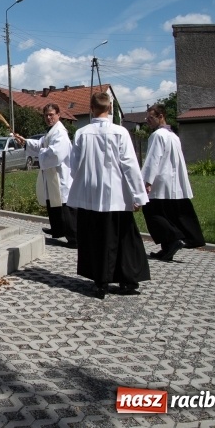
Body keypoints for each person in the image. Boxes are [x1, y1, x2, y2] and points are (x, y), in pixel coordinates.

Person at [67, 92, 150, 299]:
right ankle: (127, 280)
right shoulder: (120, 132)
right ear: (110, 108)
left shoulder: (81, 133)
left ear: (91, 108)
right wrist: (138, 196)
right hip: (117, 195)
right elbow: (130, 165)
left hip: (91, 196)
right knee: (123, 238)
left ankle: (100, 282)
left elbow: (74, 166)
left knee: (95, 239)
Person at [141, 103, 205, 262]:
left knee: (152, 213)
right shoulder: (173, 136)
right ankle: (167, 248)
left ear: (161, 116)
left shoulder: (157, 135)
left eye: (151, 118)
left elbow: (152, 160)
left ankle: (174, 238)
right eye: (147, 118)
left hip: (160, 181)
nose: (148, 121)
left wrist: (146, 181)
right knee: (167, 215)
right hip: (173, 181)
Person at [13, 103, 77, 247]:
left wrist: (42, 152)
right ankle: (58, 229)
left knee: (65, 207)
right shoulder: (51, 132)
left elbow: (55, 154)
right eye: (46, 115)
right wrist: (25, 142)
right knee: (54, 204)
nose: (48, 118)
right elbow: (41, 144)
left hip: (61, 176)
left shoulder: (60, 133)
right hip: (52, 175)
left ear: (58, 115)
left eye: (51, 114)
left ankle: (74, 238)